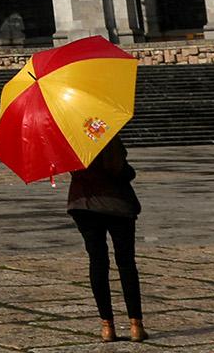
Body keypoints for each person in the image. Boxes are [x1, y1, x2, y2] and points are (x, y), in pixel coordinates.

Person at [68, 140, 145, 343]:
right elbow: (118, 170)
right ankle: (135, 325)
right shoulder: (107, 136)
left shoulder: (69, 141)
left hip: (83, 204)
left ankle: (107, 327)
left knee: (98, 262)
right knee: (126, 263)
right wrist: (130, 172)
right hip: (116, 205)